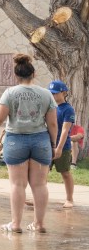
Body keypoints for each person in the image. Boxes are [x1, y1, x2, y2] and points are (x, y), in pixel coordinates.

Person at [0, 54, 56, 234]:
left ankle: (16, 224)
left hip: (16, 140)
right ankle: (39, 224)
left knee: (17, 184)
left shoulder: (10, 93)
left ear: (16, 76)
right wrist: (53, 144)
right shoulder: (46, 94)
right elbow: (53, 123)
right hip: (40, 140)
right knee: (40, 185)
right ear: (34, 73)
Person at [48, 80, 76, 209]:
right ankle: (40, 197)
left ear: (64, 93)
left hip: (62, 147)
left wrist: (58, 148)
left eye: (55, 93)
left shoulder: (68, 109)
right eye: (51, 93)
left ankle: (69, 199)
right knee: (42, 173)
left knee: (65, 172)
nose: (53, 95)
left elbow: (65, 130)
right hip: (47, 145)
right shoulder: (50, 107)